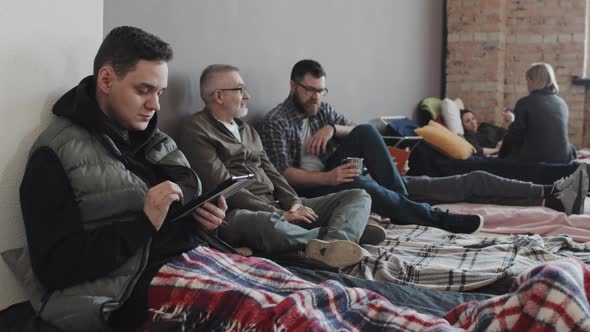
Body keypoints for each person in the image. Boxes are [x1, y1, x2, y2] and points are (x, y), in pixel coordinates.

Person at [18, 26, 232, 330]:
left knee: (308, 301)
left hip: (197, 258)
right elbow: (53, 268)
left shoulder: (157, 140)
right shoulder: (55, 153)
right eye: (144, 90)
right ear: (106, 80)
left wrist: (203, 215)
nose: (155, 105)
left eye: (160, 93)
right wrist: (143, 225)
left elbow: (184, 198)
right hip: (125, 292)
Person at [180, 64, 380, 270]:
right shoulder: (197, 130)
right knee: (269, 226)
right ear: (219, 96)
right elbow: (224, 187)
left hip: (277, 205)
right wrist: (278, 214)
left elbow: (273, 173)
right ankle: (344, 234)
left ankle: (335, 242)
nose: (247, 95)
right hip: (240, 213)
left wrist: (294, 203)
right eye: (240, 89)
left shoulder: (247, 130)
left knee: (358, 195)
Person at [260, 59, 484, 234]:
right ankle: (436, 218)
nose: (315, 97)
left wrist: (332, 128)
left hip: (330, 169)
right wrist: (328, 178)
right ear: (293, 86)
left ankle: (402, 204)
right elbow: (283, 174)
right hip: (308, 189)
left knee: (367, 131)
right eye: (309, 90)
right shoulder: (276, 121)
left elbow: (355, 128)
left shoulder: (323, 109)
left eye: (320, 91)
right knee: (359, 182)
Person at [400, 159, 588, 215]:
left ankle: (555, 203)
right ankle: (550, 190)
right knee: (477, 180)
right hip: (396, 187)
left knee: (475, 195)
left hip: (397, 185)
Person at [499, 62, 576, 163]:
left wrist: (502, 154)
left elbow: (516, 135)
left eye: (527, 80)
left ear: (533, 81)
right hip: (563, 158)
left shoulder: (524, 103)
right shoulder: (562, 103)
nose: (527, 84)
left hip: (535, 159)